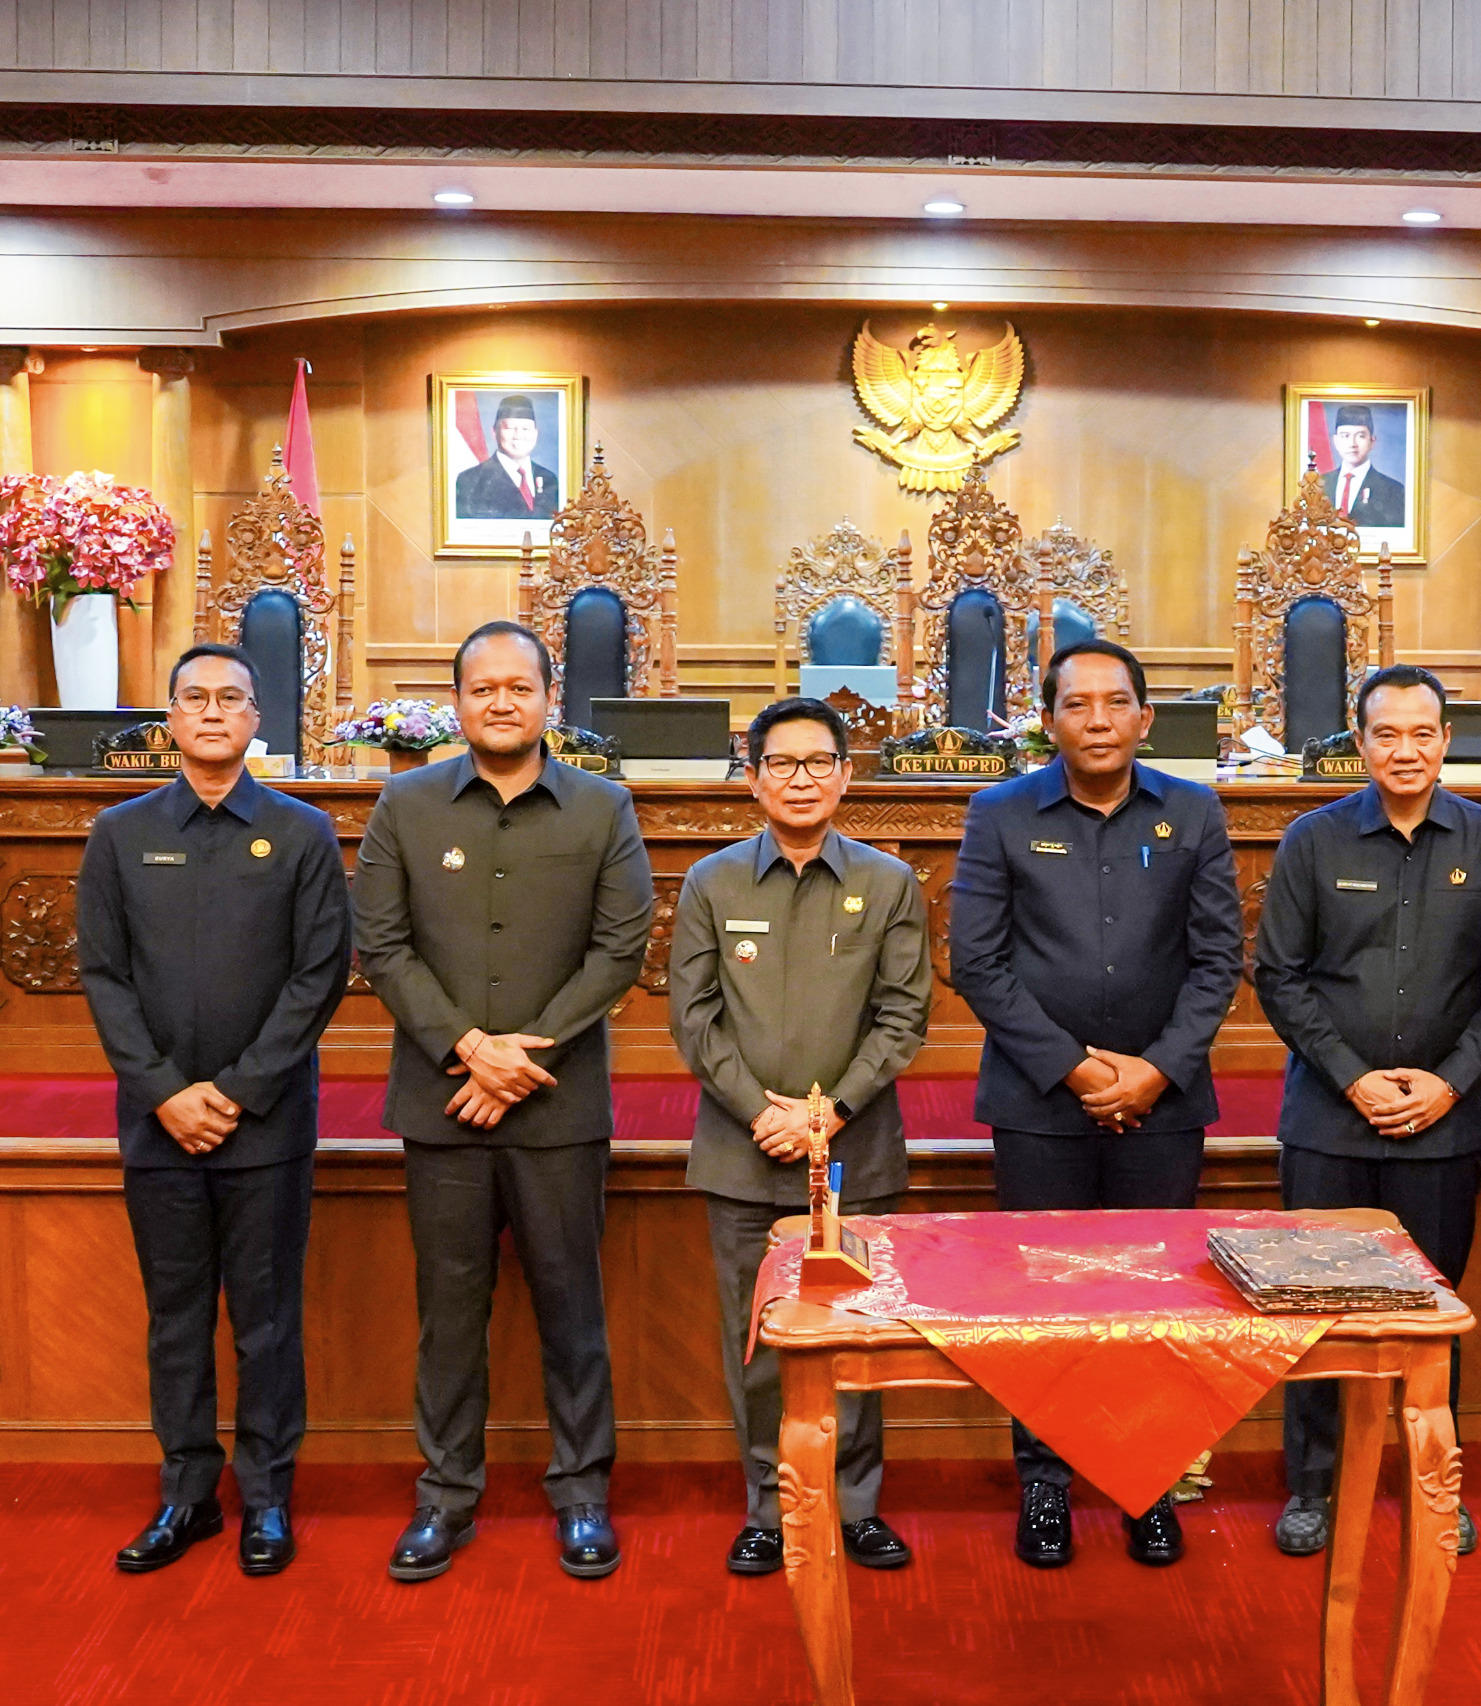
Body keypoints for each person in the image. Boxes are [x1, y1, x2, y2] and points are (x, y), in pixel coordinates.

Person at [352, 620, 655, 1582]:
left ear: (548, 699)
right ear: (456, 703)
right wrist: (470, 1049)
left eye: (518, 687)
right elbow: (382, 945)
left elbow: (620, 948)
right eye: (481, 688)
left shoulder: (603, 807)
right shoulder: (405, 804)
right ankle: (445, 1496)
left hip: (559, 1106)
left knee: (571, 1304)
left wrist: (523, 1058)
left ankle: (582, 1493)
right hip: (441, 1102)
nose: (500, 702)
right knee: (450, 1311)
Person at [947, 637, 1244, 1570]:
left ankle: (1147, 1479)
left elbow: (1218, 962)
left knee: (1157, 1300)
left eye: (1117, 703)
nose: (1099, 721)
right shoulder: (999, 814)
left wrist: (1155, 1071)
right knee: (1045, 1303)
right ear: (1049, 722)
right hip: (1039, 1105)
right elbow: (977, 963)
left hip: (1165, 1105)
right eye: (1077, 705)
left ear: (1145, 718)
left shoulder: (1193, 813)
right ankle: (1045, 1484)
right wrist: (1075, 1070)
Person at [76, 643, 353, 1578]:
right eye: (193, 697)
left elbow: (319, 976)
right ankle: (186, 1494)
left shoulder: (302, 833)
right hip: (158, 1126)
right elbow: (103, 975)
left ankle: (266, 1495)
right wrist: (165, 1092)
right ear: (170, 717)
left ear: (255, 718)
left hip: (264, 1125)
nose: (210, 711)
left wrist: (235, 1092)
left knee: (267, 1319)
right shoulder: (119, 833)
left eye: (229, 698)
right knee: (177, 1316)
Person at [1254, 663, 1481, 1560]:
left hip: (1445, 1124)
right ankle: (1312, 1487)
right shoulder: (1312, 840)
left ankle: (1432, 1481)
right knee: (1316, 1313)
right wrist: (1353, 1079)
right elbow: (1279, 977)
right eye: (1387, 734)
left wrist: (1449, 1083)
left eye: (1423, 734)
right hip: (1329, 1121)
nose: (1405, 751)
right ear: (1360, 741)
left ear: (1447, 741)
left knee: (1431, 1315)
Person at [668, 697, 933, 1578]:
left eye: (819, 762)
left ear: (847, 775)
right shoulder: (712, 883)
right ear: (752, 779)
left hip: (853, 1151)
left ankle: (855, 1505)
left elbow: (903, 1016)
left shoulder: (888, 882)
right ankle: (768, 1508)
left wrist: (827, 1113)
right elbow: (694, 1019)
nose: (801, 779)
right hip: (743, 1154)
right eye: (781, 763)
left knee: (855, 1333)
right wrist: (763, 1113)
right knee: (758, 1343)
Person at [455, 394, 561, 521]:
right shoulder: (471, 480)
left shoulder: (549, 479)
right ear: (494, 432)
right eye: (510, 428)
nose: (518, 435)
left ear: (535, 433)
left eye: (526, 429)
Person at [1325, 403, 1405, 528]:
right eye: (1345, 436)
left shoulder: (1393, 490)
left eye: (1361, 436)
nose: (1352, 444)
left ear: (1372, 441)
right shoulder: (1319, 484)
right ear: (1336, 441)